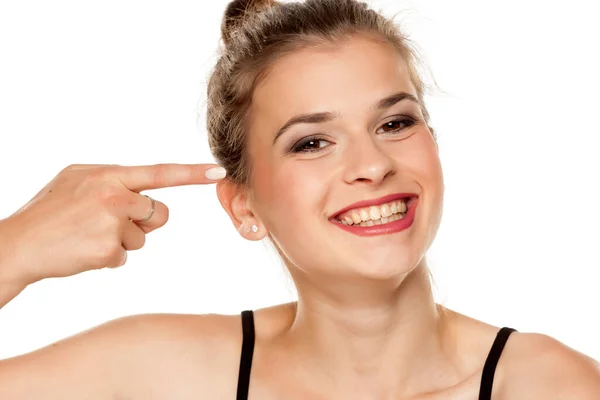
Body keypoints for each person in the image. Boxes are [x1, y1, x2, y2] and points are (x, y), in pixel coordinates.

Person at [0, 0, 598, 398]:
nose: (371, 166)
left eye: (395, 124)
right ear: (244, 207)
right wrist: (15, 249)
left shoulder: (547, 384)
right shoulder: (160, 372)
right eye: (312, 142)